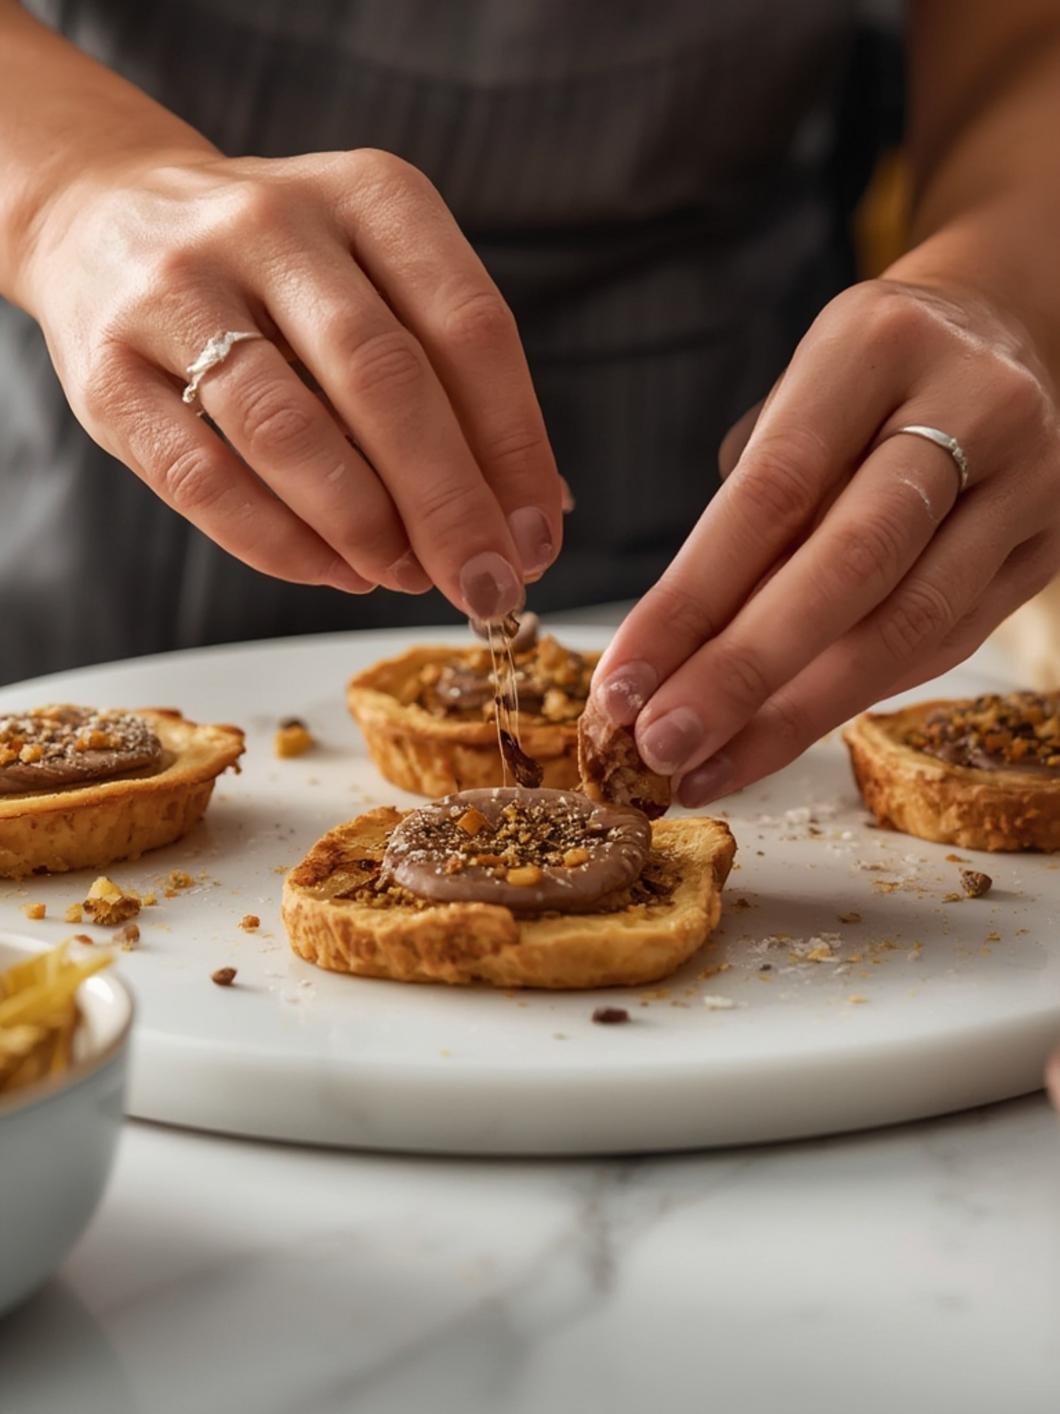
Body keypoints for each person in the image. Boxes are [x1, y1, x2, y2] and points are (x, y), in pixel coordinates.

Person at [1, 4, 1059, 1076]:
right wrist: (61, 188)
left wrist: (999, 282)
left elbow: (1024, 46)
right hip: (107, 425)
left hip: (722, 437)